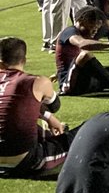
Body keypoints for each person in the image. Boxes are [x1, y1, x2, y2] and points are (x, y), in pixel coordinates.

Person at [0, 37, 74, 179]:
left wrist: (48, 117)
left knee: (24, 123)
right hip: (24, 160)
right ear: (24, 60)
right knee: (83, 134)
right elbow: (54, 106)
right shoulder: (37, 82)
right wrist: (49, 114)